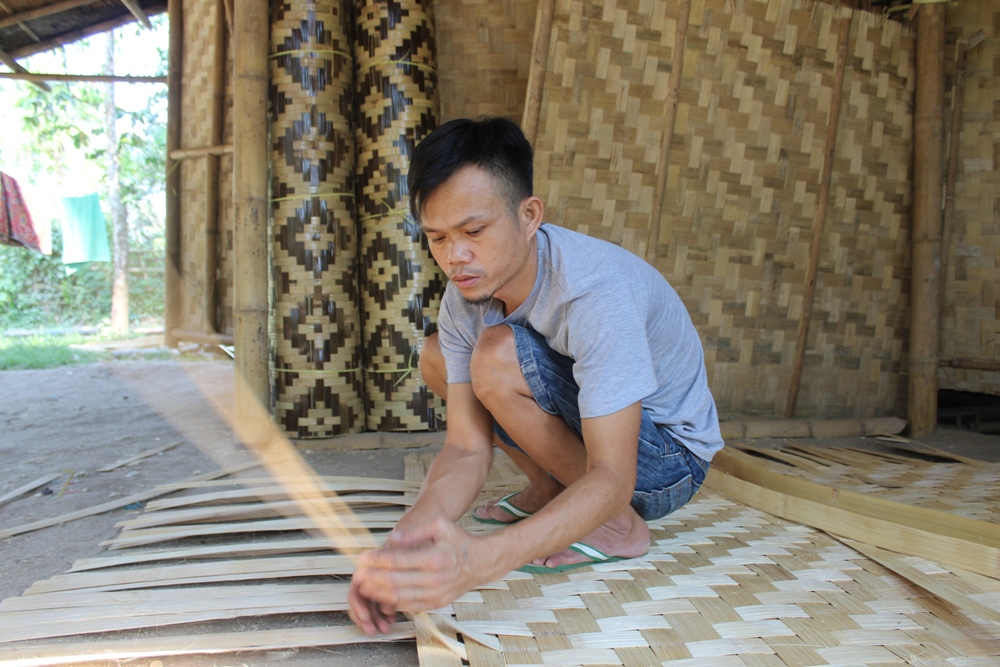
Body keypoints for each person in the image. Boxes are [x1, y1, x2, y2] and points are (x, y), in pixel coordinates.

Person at [349, 117, 723, 635]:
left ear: (529, 216)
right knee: (438, 354)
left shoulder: (594, 292)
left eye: (474, 231)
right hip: (596, 444)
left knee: (496, 355)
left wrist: (482, 560)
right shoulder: (463, 296)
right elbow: (465, 449)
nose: (455, 258)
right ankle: (553, 490)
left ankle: (617, 528)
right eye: (437, 238)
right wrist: (405, 543)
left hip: (665, 463)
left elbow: (616, 478)